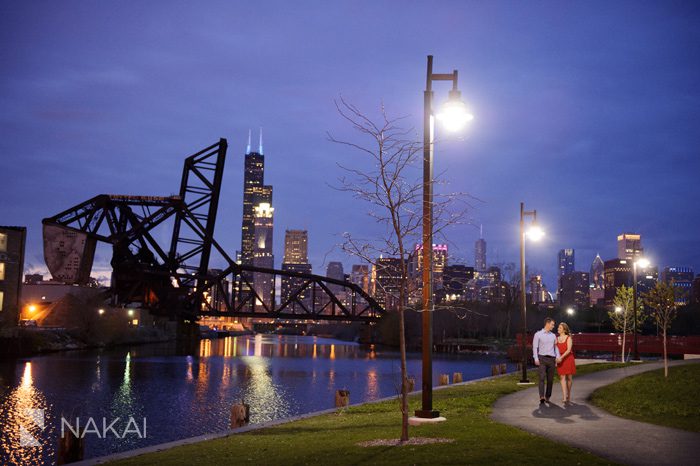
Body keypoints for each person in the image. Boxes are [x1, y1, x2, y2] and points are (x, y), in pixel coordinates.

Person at [532, 317, 561, 404]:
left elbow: (556, 347)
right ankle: (542, 396)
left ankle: (548, 396)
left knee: (550, 380)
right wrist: (536, 358)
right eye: (552, 324)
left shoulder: (553, 336)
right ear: (547, 324)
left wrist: (558, 356)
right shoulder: (538, 334)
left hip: (552, 359)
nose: (553, 326)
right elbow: (535, 347)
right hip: (542, 359)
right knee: (541, 378)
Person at [556, 322, 576, 403]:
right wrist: (557, 357)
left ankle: (569, 394)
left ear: (564, 330)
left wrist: (561, 357)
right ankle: (564, 397)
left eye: (560, 328)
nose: (558, 329)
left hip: (568, 358)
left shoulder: (569, 338)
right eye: (558, 327)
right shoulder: (556, 339)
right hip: (560, 359)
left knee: (569, 378)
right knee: (562, 377)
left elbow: (568, 350)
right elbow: (554, 349)